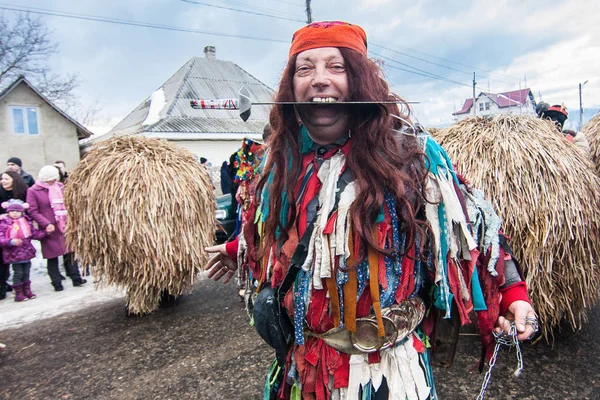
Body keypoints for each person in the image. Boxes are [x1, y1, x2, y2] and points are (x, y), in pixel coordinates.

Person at [204, 21, 536, 399]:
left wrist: (513, 295)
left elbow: (469, 236)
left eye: (336, 66)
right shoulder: (281, 163)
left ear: (361, 81)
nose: (319, 80)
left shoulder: (412, 158)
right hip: (302, 370)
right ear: (290, 88)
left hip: (385, 374)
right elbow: (276, 234)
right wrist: (238, 250)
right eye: (305, 68)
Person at [26, 165, 86, 291]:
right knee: (52, 257)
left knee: (70, 252)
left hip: (64, 224)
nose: (53, 181)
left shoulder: (60, 187)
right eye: (50, 179)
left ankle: (76, 277)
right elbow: (32, 210)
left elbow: (69, 202)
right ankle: (56, 282)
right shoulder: (33, 191)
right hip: (49, 227)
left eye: (55, 178)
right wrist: (45, 223)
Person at [0, 200, 46, 302]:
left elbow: (34, 234)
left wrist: (45, 232)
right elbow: (1, 238)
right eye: (12, 211)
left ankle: (27, 291)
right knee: (18, 273)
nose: (15, 213)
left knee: (26, 272)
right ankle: (18, 293)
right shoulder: (4, 223)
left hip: (26, 252)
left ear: (22, 212)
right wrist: (11, 242)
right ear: (8, 212)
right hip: (14, 254)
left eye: (17, 211)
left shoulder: (26, 222)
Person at [0, 170, 29, 300]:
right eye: (2, 179)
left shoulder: (23, 192)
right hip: (2, 229)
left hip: (18, 231)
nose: (3, 181)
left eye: (6, 179)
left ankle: (21, 287)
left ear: (14, 180)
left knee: (18, 259)